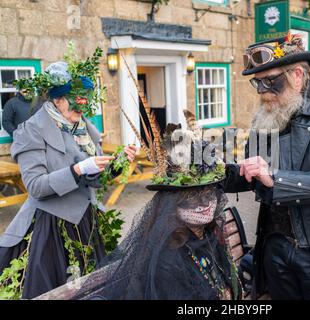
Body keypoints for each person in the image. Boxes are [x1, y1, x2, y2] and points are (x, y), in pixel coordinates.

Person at [223, 33, 310, 300]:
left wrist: (276, 178)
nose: (263, 91)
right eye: (258, 83)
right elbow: (252, 175)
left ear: (298, 75)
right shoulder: (265, 117)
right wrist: (210, 173)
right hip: (274, 247)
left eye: (271, 81)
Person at [0, 50, 137, 299]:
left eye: (85, 99)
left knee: (96, 287)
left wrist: (116, 165)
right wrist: (76, 170)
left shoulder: (82, 127)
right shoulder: (31, 131)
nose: (82, 107)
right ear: (57, 99)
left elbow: (95, 180)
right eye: (76, 99)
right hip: (50, 228)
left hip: (88, 221)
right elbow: (35, 187)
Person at [72, 122, 242, 300]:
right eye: (192, 195)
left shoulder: (205, 235)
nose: (205, 202)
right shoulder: (168, 259)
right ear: (173, 203)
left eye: (209, 192)